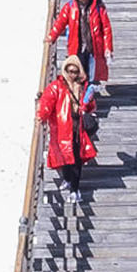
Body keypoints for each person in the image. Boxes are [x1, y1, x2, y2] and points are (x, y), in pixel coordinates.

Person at [38, 57, 97, 200]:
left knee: (76, 160)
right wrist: (41, 116)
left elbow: (91, 106)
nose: (72, 75)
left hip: (78, 130)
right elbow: (47, 102)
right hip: (62, 129)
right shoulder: (56, 86)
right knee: (65, 159)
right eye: (69, 71)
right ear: (64, 70)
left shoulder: (82, 87)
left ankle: (75, 190)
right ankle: (68, 179)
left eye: (75, 72)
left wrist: (87, 104)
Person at [49, 0, 114, 89]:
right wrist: (51, 37)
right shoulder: (70, 6)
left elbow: (106, 28)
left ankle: (88, 98)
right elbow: (60, 23)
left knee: (92, 74)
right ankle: (81, 98)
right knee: (78, 74)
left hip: (93, 46)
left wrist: (108, 47)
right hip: (76, 46)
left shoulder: (98, 6)